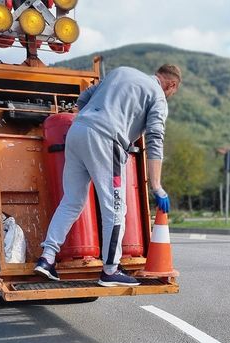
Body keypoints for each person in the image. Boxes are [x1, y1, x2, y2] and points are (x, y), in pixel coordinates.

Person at [34, 64, 180, 287]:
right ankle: (110, 270)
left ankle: (47, 258)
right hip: (106, 139)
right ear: (171, 84)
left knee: (71, 201)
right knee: (116, 209)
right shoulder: (157, 96)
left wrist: (90, 119)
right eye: (173, 92)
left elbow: (84, 98)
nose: (170, 96)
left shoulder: (121, 72)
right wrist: (157, 185)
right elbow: (155, 139)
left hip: (76, 131)